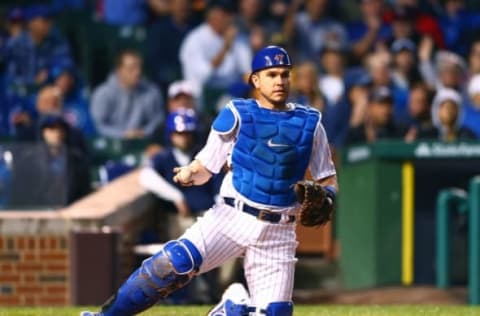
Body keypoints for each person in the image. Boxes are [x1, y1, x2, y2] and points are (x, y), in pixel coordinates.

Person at [81, 45, 338, 316]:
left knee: (275, 313)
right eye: (271, 74)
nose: (279, 81)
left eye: (285, 74)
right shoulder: (238, 114)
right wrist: (191, 172)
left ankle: (227, 311)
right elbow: (207, 166)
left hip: (279, 229)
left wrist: (329, 196)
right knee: (173, 263)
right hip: (232, 216)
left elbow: (328, 177)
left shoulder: (310, 123)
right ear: (256, 79)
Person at [90, 49, 164, 139]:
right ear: (119, 70)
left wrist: (145, 132)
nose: (137, 72)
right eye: (131, 68)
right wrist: (123, 134)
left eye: (139, 67)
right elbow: (97, 126)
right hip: (111, 147)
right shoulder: (103, 94)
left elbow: (158, 120)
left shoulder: (151, 91)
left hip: (144, 143)